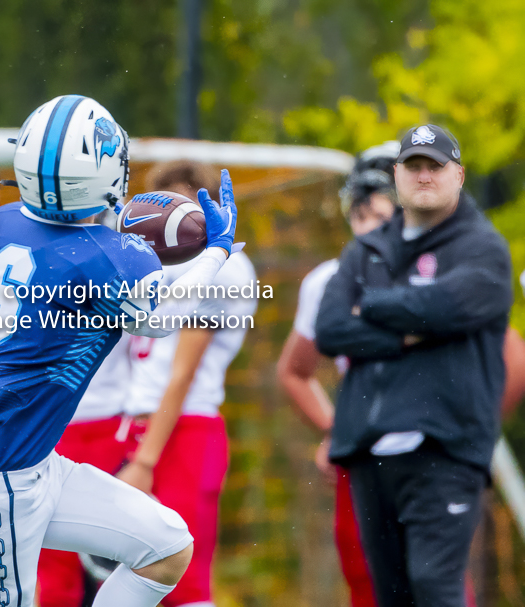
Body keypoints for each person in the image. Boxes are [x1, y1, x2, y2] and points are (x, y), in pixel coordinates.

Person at [0, 94, 238, 607]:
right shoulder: (105, 258)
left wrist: (128, 239)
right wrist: (218, 248)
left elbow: (79, 250)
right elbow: (156, 318)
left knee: (166, 546)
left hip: (30, 464)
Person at [315, 125, 513, 607]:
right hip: (370, 451)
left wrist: (374, 307)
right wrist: (412, 325)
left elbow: (449, 306)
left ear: (459, 175)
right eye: (414, 166)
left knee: (435, 587)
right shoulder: (366, 248)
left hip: (444, 449)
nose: (424, 176)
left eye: (435, 166)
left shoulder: (483, 249)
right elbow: (332, 329)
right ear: (398, 176)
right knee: (392, 596)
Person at [116, 161, 258, 607]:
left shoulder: (224, 265)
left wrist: (145, 459)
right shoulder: (155, 261)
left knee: (184, 584)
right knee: (134, 582)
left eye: (179, 203)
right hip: (145, 428)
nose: (167, 219)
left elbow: (182, 372)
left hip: (184, 431)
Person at [276, 143, 399, 607]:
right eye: (362, 214)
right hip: (366, 457)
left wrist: (471, 430)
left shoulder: (440, 271)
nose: (371, 229)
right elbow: (294, 371)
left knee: (434, 582)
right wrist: (337, 427)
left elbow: (509, 356)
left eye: (383, 215)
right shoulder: (331, 280)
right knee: (366, 582)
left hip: (431, 454)